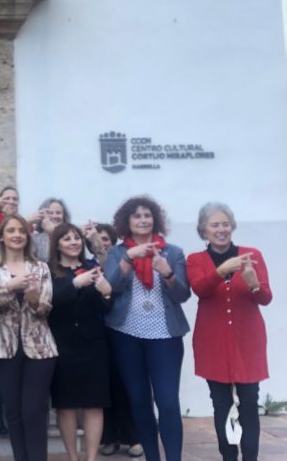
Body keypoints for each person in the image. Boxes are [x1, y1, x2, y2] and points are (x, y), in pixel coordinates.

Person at [104, 196, 190, 461]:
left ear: (155, 219)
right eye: (137, 216)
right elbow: (110, 287)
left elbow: (182, 295)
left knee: (167, 402)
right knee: (139, 402)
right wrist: (129, 258)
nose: (143, 220)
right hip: (126, 335)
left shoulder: (172, 252)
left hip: (165, 336)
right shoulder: (118, 252)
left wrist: (167, 273)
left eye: (147, 215)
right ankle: (152, 457)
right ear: (127, 222)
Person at [187, 202, 272, 461]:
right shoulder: (195, 260)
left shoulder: (252, 254)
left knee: (248, 404)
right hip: (212, 341)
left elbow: (266, 298)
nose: (221, 229)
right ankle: (228, 457)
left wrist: (254, 284)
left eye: (225, 224)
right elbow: (200, 289)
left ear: (232, 226)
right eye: (215, 225)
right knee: (221, 405)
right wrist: (221, 271)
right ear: (204, 230)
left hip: (248, 340)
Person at [0, 213, 57, 461]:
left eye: (21, 231)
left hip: (40, 348)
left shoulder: (40, 267)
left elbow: (45, 308)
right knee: (13, 411)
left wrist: (34, 299)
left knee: (33, 410)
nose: (16, 235)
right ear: (1, 236)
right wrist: (11, 287)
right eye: (11, 231)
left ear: (27, 237)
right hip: (4, 348)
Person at [48, 223, 113, 461]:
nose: (73, 242)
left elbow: (103, 307)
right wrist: (76, 283)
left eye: (76, 238)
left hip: (93, 344)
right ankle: (73, 457)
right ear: (57, 245)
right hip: (63, 345)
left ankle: (91, 457)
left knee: (94, 404)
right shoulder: (49, 271)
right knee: (66, 406)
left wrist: (106, 293)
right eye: (67, 239)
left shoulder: (92, 267)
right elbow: (50, 302)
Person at [91, 224, 142, 458]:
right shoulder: (89, 264)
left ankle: (133, 437)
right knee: (106, 386)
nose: (102, 243)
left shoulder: (121, 261)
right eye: (97, 240)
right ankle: (110, 437)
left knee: (127, 384)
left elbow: (112, 278)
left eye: (106, 239)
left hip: (122, 327)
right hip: (98, 331)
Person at [29, 197, 71, 262]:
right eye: (50, 213)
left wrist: (53, 232)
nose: (54, 216)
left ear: (64, 216)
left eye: (58, 213)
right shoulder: (34, 238)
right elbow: (44, 259)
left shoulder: (72, 236)